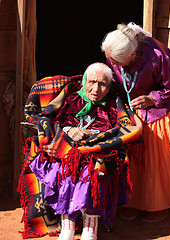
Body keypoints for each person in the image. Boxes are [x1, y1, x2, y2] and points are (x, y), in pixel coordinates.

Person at [101, 22, 170, 222]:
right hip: (134, 105)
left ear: (133, 55)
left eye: (119, 61)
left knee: (156, 152)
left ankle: (158, 204)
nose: (114, 64)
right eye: (111, 59)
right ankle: (135, 201)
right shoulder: (114, 52)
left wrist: (152, 98)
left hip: (165, 102)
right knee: (132, 151)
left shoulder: (158, 54)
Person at [28, 62, 130, 240]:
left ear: (108, 87)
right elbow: (56, 122)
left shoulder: (113, 105)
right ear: (84, 82)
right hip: (68, 148)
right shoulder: (71, 99)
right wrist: (70, 131)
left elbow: (119, 129)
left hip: (99, 150)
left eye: (102, 84)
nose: (95, 89)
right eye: (92, 82)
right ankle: (68, 225)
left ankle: (90, 229)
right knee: (66, 169)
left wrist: (93, 134)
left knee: (92, 172)